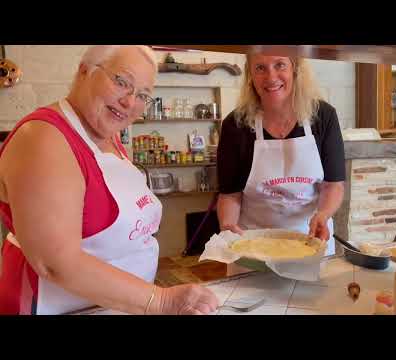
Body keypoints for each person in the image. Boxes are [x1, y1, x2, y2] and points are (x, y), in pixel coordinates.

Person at [0, 45, 218, 315]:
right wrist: (161, 301)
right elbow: (53, 262)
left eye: (142, 95)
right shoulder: (43, 139)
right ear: (84, 71)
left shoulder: (108, 137)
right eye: (121, 82)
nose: (129, 102)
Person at [217, 53, 346, 264]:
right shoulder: (236, 124)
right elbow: (230, 194)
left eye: (280, 65)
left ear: (295, 70)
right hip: (253, 247)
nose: (271, 76)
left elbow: (333, 184)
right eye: (260, 68)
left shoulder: (323, 116)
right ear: (250, 75)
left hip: (310, 240)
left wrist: (323, 214)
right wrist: (227, 225)